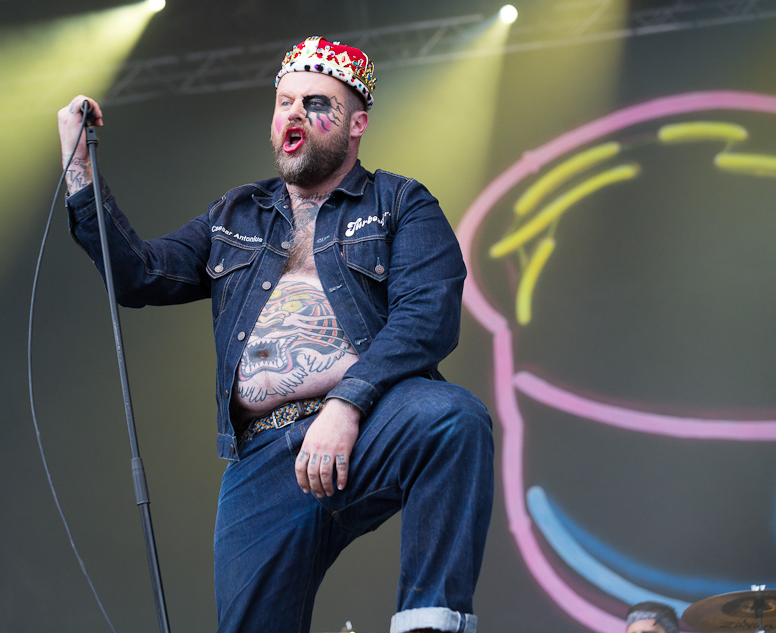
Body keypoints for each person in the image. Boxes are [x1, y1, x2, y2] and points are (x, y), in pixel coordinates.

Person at [57, 35, 494, 633]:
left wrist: (346, 405)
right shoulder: (234, 215)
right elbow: (139, 274)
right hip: (262, 455)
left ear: (357, 123)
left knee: (451, 418)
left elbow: (427, 316)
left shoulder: (400, 202)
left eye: (316, 103)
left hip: (367, 422)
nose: (295, 113)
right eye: (285, 101)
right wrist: (78, 167)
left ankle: (428, 625)